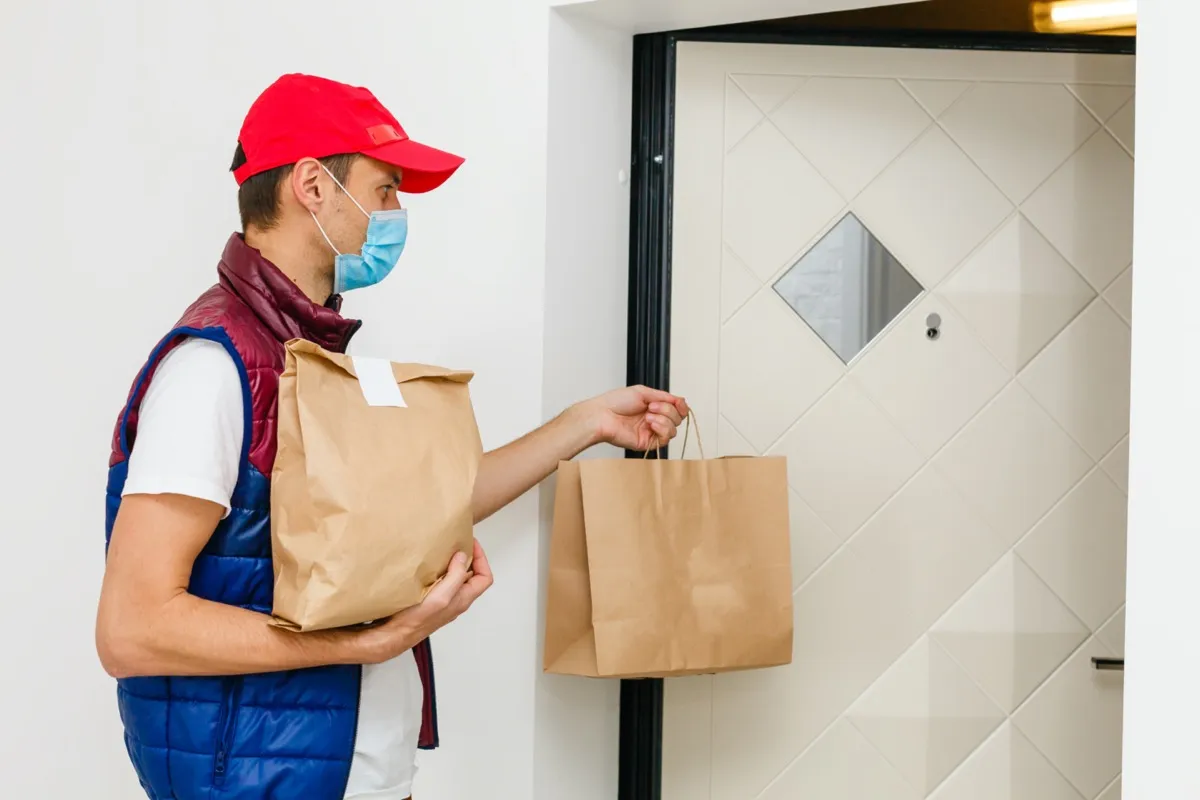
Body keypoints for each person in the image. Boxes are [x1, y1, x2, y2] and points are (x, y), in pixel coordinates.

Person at [95, 73, 687, 800]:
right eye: (383, 190)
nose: (395, 213)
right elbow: (132, 627)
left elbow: (428, 508)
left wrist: (583, 424)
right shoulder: (213, 369)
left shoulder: (303, 355)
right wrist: (370, 642)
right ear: (312, 186)